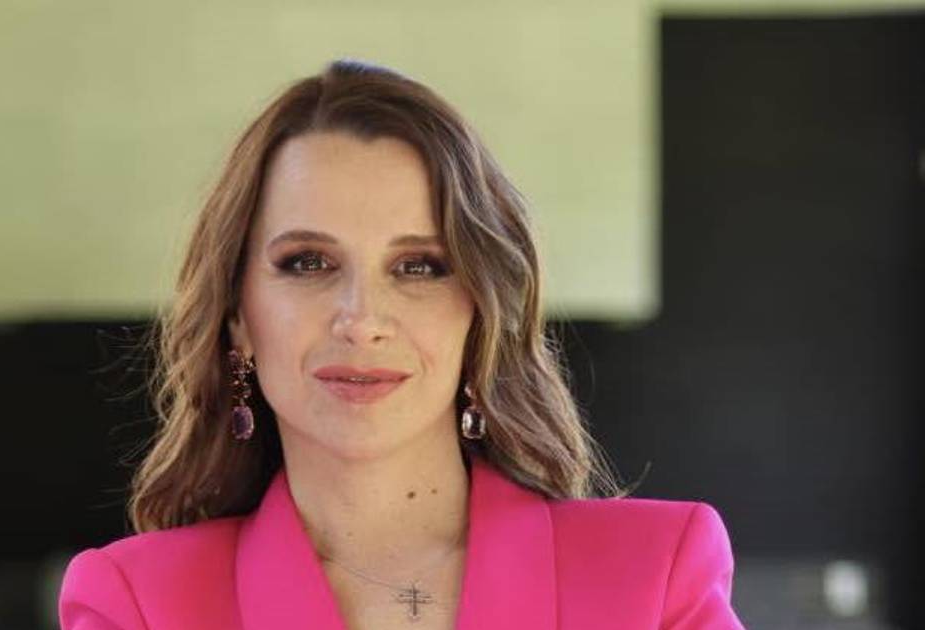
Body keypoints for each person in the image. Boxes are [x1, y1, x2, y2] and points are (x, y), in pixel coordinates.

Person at [58, 59, 745, 630]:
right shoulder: (139, 603)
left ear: (479, 310)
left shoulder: (655, 575)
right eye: (307, 263)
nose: (362, 320)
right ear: (238, 315)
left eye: (419, 267)